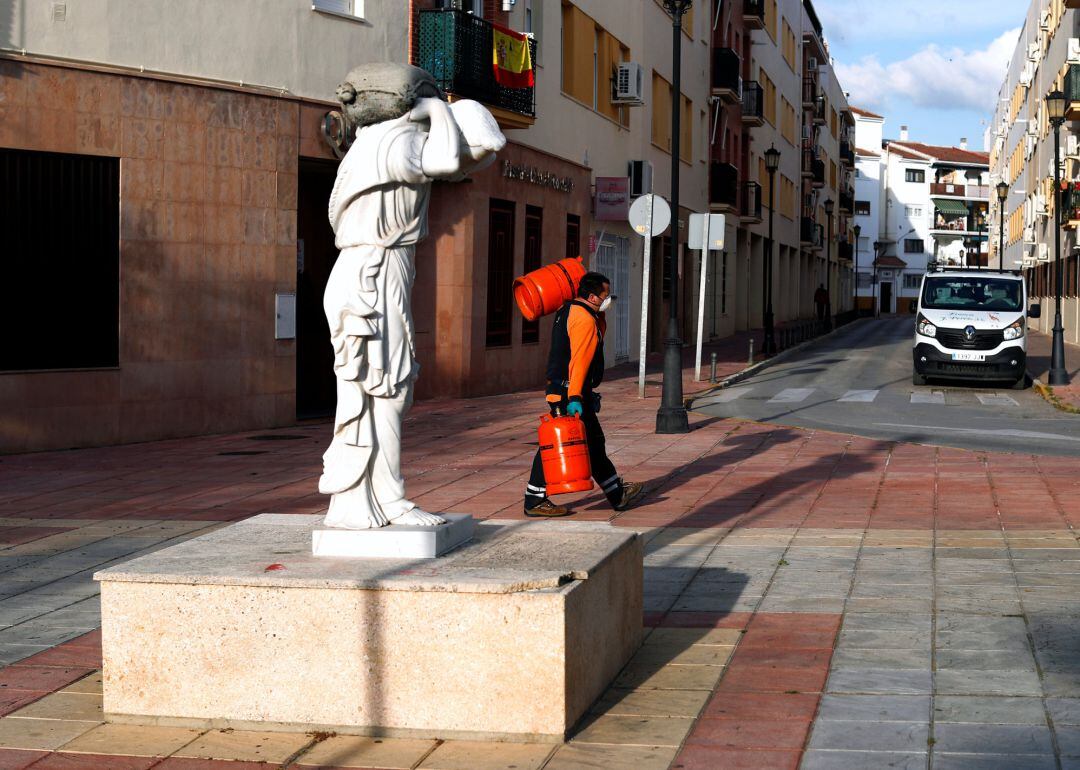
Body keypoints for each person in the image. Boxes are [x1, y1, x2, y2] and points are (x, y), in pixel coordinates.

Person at [319, 64, 505, 529]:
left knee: (392, 387)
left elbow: (485, 148)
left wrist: (454, 110)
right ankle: (364, 499)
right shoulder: (389, 143)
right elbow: (445, 162)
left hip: (383, 269)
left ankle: (384, 496)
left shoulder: (389, 142)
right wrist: (439, 110)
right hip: (371, 274)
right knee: (379, 387)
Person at [523, 272, 644, 517]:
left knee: (594, 443)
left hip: (561, 389)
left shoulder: (568, 310)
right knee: (555, 445)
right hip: (572, 393)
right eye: (604, 295)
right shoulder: (585, 320)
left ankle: (616, 493)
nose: (607, 299)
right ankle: (534, 500)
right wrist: (576, 397)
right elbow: (579, 362)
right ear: (591, 296)